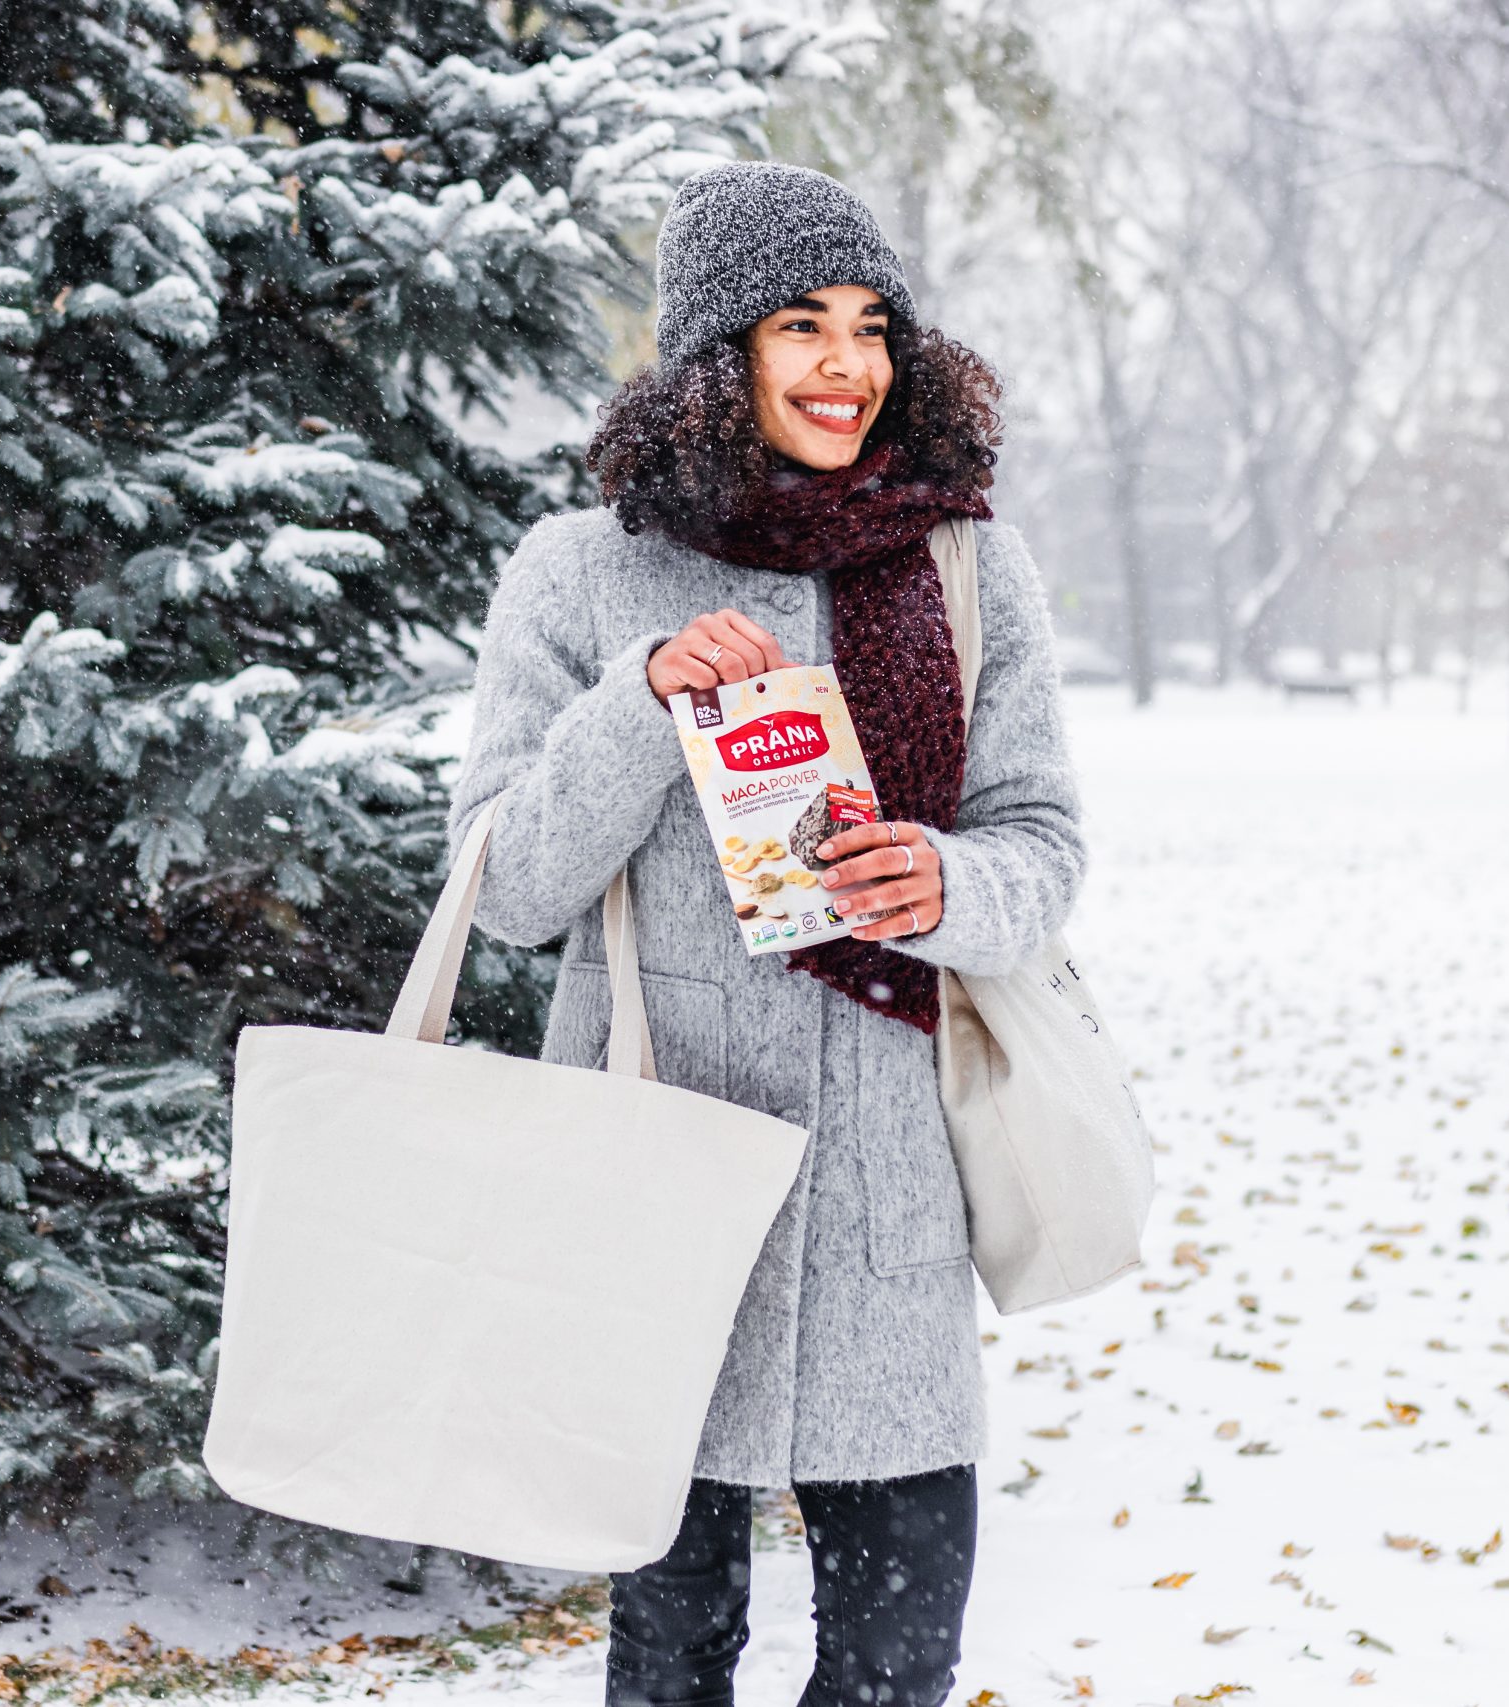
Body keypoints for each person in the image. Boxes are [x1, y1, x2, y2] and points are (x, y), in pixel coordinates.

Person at [443, 160, 1087, 1707]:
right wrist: (642, 699)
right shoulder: (583, 573)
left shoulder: (964, 563)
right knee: (669, 1659)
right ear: (713, 358)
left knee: (894, 1665)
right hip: (655, 1184)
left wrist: (943, 887)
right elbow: (504, 888)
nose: (845, 366)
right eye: (800, 325)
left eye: (872, 327)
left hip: (886, 1205)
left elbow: (1044, 851)